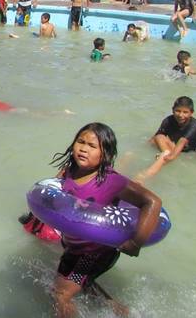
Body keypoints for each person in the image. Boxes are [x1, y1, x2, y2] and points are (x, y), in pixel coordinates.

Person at [51, 123, 162, 318]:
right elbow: (54, 194)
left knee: (61, 293)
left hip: (94, 253)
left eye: (92, 146)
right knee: (82, 282)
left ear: (105, 153)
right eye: (80, 142)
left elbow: (152, 202)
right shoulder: (69, 171)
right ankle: (118, 310)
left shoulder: (111, 182)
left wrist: (136, 242)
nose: (83, 148)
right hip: (74, 246)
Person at [136, 97, 196, 180]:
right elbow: (155, 137)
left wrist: (170, 157)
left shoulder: (194, 125)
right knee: (159, 137)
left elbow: (182, 141)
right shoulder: (168, 121)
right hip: (177, 149)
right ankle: (167, 155)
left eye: (185, 112)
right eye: (178, 111)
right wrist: (140, 149)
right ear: (173, 110)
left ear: (191, 113)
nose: (181, 115)